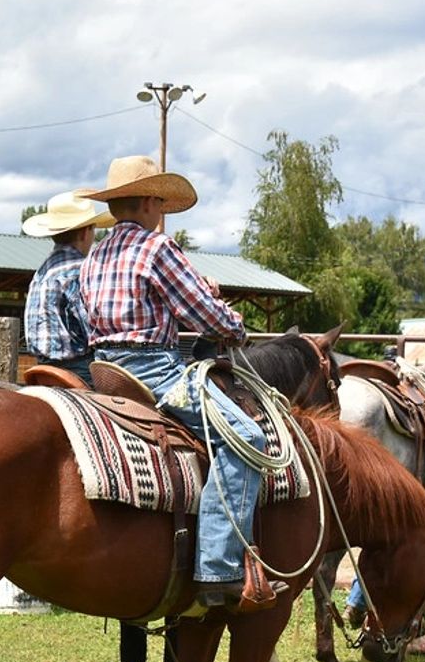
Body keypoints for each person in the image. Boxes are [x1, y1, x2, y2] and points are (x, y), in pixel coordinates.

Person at [80, 155, 288, 610]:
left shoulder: (94, 255)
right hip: (155, 370)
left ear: (117, 205)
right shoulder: (158, 249)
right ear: (153, 200)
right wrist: (233, 323)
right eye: (162, 203)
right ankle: (218, 567)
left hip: (104, 369)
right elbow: (208, 318)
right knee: (246, 438)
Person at [22, 190, 115, 384]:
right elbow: (94, 331)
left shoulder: (43, 270)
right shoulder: (79, 270)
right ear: (85, 232)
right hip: (78, 369)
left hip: (42, 366)